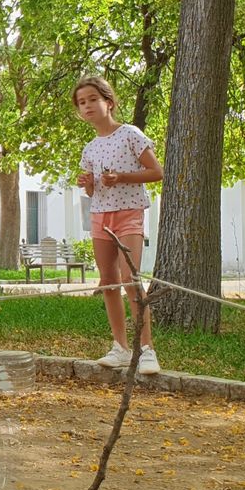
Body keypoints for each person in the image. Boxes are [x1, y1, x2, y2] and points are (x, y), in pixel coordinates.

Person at [74, 75, 164, 375]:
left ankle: (146, 350)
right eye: (81, 103)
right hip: (100, 215)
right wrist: (88, 183)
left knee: (130, 279)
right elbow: (93, 190)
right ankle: (121, 347)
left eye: (91, 100)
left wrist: (122, 177)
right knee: (109, 281)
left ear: (108, 102)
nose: (86, 107)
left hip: (130, 213)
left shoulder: (130, 134)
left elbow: (156, 172)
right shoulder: (90, 148)